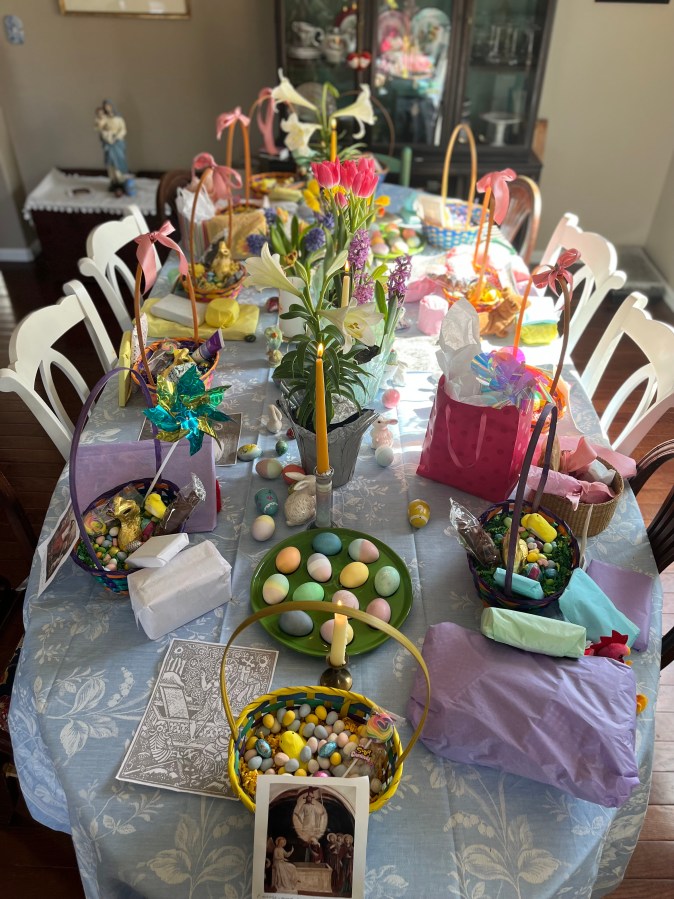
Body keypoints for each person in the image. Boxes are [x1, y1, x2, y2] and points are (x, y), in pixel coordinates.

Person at [95, 100, 134, 196]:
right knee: (110, 162)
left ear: (112, 106)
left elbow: (123, 130)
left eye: (109, 106)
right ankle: (113, 180)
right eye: (105, 107)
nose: (107, 108)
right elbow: (100, 128)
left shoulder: (119, 119)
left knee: (119, 161)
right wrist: (106, 135)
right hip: (109, 143)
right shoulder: (104, 119)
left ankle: (121, 180)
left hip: (117, 143)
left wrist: (116, 137)